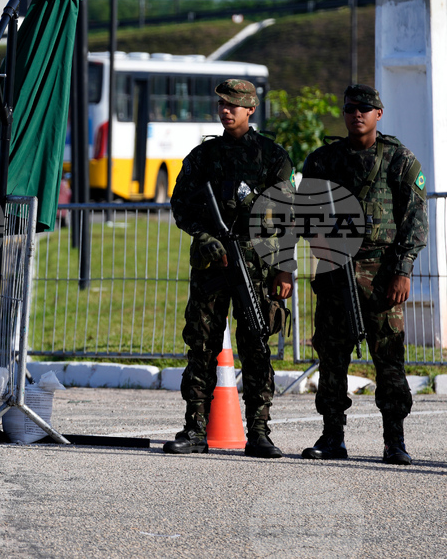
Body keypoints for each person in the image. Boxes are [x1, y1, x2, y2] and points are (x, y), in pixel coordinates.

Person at [165, 79, 294, 458]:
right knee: (202, 345)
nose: (226, 110)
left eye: (234, 105)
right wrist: (202, 234)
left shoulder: (272, 157)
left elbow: (288, 217)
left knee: (256, 343)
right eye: (221, 103)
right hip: (211, 264)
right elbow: (182, 205)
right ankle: (195, 429)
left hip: (257, 265)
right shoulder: (203, 156)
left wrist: (285, 268)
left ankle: (258, 431)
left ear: (251, 108)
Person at [300, 84, 427, 465]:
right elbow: (306, 213)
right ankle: (332, 436)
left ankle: (394, 441)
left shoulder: (400, 161)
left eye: (366, 109)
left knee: (388, 355)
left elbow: (415, 221)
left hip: (382, 272)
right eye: (351, 108)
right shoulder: (323, 160)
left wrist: (402, 270)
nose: (357, 114)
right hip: (335, 271)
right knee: (332, 355)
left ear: (379, 115)